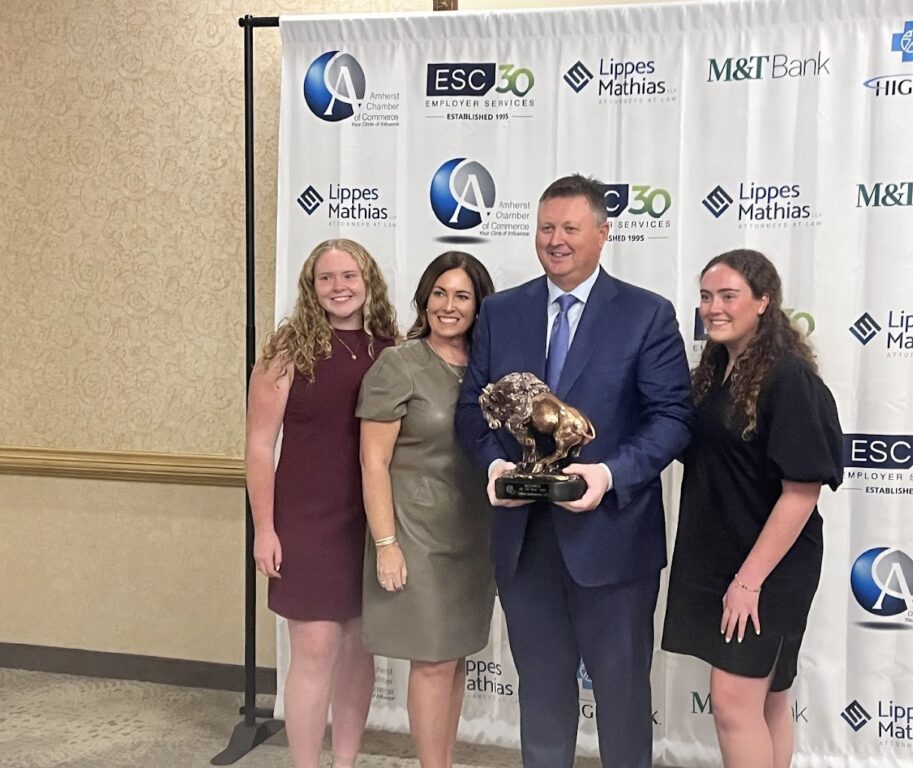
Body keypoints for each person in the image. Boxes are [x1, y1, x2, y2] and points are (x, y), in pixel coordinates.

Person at [455, 174, 693, 768]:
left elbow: (671, 420)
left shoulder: (647, 314)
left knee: (621, 698)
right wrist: (495, 467)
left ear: (603, 233)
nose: (555, 240)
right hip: (524, 543)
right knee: (541, 696)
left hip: (614, 542)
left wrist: (610, 475)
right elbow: (472, 410)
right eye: (545, 228)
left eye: (569, 228)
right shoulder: (500, 312)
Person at [662, 249, 843, 768]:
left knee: (733, 703)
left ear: (764, 301)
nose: (713, 308)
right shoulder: (717, 369)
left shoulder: (788, 378)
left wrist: (749, 581)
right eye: (705, 297)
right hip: (722, 559)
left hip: (769, 570)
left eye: (728, 296)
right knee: (767, 701)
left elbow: (802, 492)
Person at [245, 238, 399, 768]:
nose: (339, 288)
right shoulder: (287, 350)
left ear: (368, 281)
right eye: (327, 279)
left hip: (372, 519)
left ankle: (346, 762)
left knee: (360, 652)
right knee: (313, 651)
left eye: (349, 276)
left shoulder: (390, 348)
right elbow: (259, 445)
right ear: (312, 288)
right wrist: (264, 528)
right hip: (306, 521)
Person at [357, 252, 496, 768]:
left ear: (479, 304)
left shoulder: (488, 369)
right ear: (424, 298)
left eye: (461, 295)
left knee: (455, 660)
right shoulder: (399, 363)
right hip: (416, 536)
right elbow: (373, 464)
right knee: (434, 662)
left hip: (473, 536)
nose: (448, 305)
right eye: (439, 293)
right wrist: (386, 545)